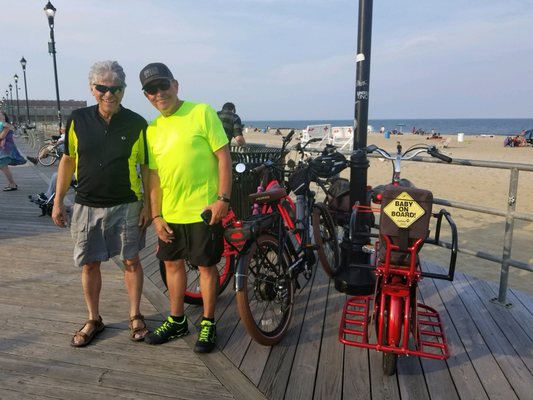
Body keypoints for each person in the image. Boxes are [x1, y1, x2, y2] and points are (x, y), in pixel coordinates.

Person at [51, 60, 151, 347]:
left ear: (123, 89)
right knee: (90, 264)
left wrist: (148, 205)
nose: (109, 94)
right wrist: (58, 201)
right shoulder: (77, 119)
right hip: (86, 204)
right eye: (102, 88)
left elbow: (146, 167)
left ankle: (135, 315)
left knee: (132, 261)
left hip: (128, 203)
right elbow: (68, 160)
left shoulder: (136, 123)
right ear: (92, 89)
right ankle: (94, 318)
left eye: (115, 88)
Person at [139, 62, 232, 353]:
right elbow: (153, 176)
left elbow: (224, 157)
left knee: (206, 266)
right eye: (151, 90)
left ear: (175, 85)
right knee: (172, 265)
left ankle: (208, 322)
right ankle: (177, 320)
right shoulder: (152, 129)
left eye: (163, 86)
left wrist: (223, 199)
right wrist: (156, 214)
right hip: (170, 213)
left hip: (204, 210)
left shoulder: (201, 112)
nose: (158, 93)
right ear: (146, 96)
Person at [0, 111, 26, 191]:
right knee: (3, 166)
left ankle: (12, 184)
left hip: (6, 148)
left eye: (1, 115)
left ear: (5, 116)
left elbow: (1, 136)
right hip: (3, 148)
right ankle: (12, 183)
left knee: (3, 166)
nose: (0, 117)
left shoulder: (6, 125)